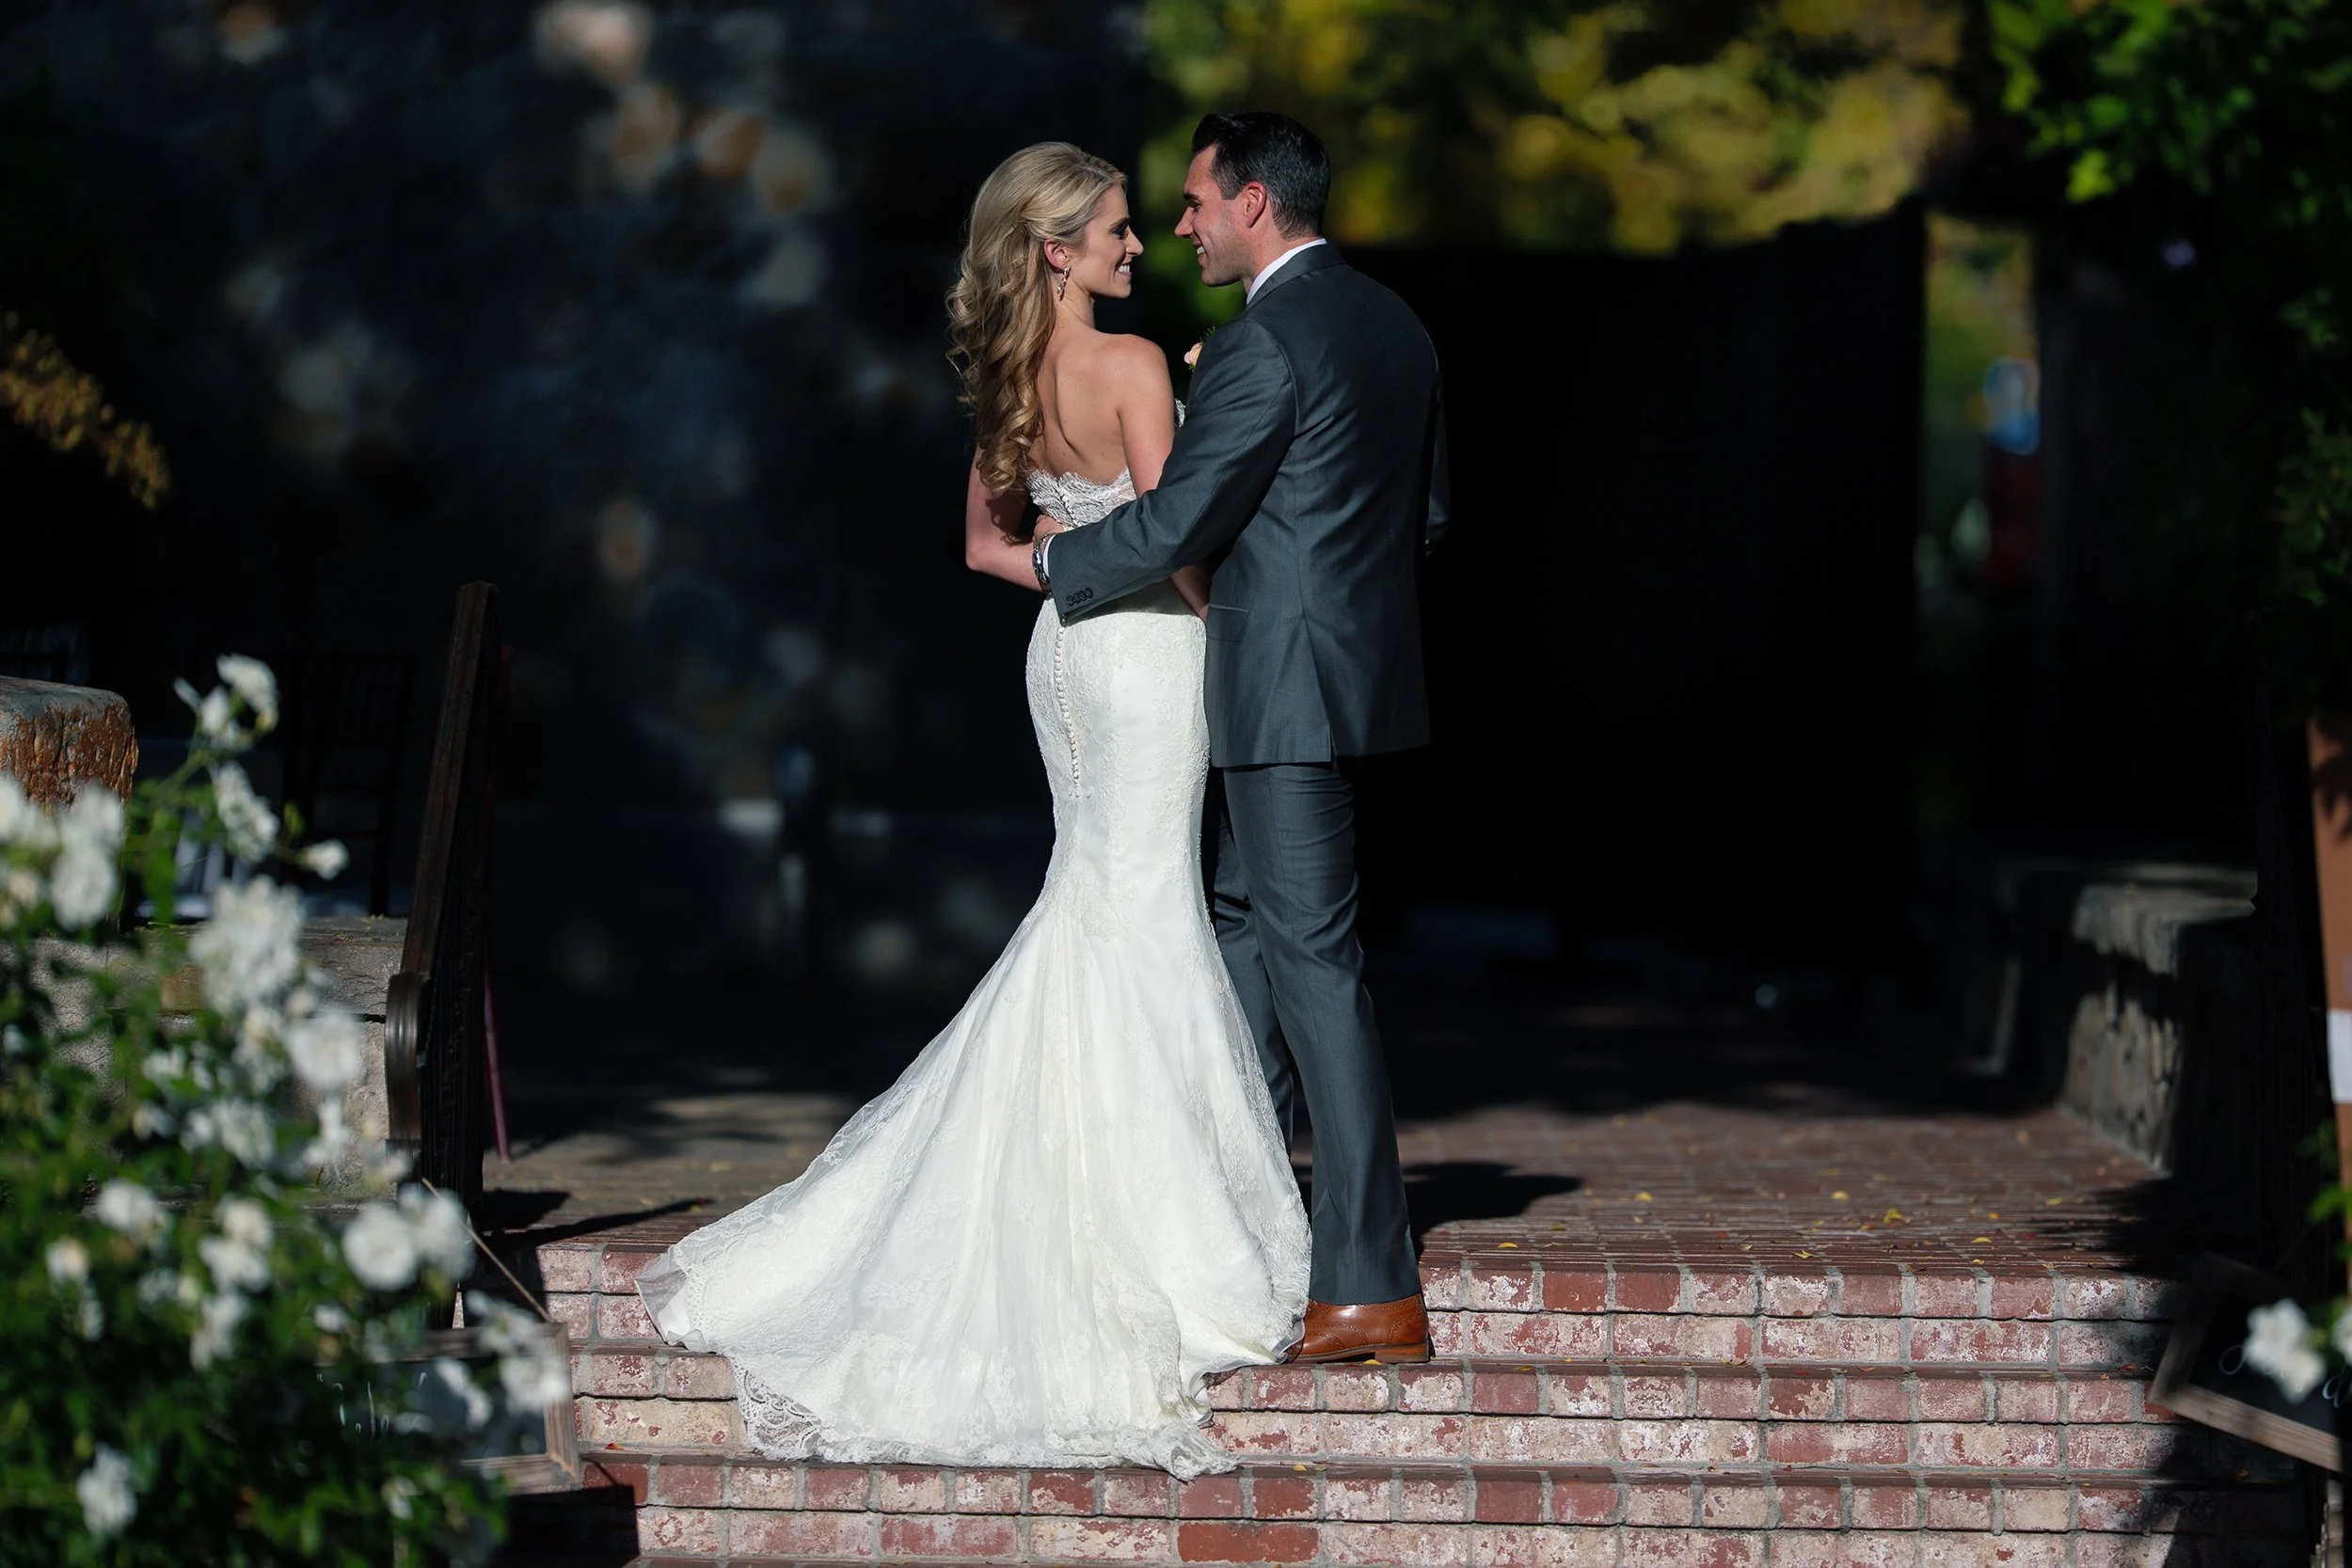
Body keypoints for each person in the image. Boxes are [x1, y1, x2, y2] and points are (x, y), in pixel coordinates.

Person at [634, 141, 1309, 1479]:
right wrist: (1248, 649)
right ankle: (1157, 1223)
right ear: (1058, 249)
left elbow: (986, 547)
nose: (1137, 245)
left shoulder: (1014, 375)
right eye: (1117, 229)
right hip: (1144, 666)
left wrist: (1069, 569)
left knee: (1095, 902)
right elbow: (1179, 548)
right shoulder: (1126, 366)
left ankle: (1075, 1170)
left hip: (1062, 658)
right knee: (1144, 907)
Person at [1033, 111, 1450, 1363]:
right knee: (1245, 932)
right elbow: (1422, 520)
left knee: (1315, 962)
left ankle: (1372, 1282)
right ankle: (1243, 1205)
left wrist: (1057, 558)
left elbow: (1173, 528)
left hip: (1276, 687)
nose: (1180, 226)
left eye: (1197, 202)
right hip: (1349, 679)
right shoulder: (1397, 325)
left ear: (1255, 202)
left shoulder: (1265, 342)